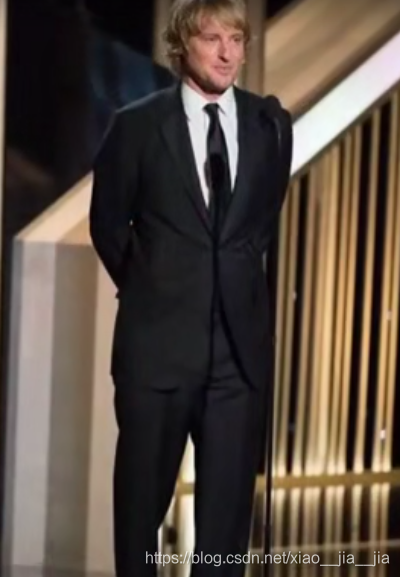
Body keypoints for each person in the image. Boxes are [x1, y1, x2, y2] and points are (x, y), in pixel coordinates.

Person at [89, 0, 293, 575]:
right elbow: (108, 224)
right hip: (158, 350)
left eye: (237, 40)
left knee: (226, 532)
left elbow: (258, 225)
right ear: (182, 46)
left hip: (237, 358)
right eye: (212, 39)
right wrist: (154, 285)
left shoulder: (270, 125)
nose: (227, 54)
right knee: (140, 517)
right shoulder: (136, 126)